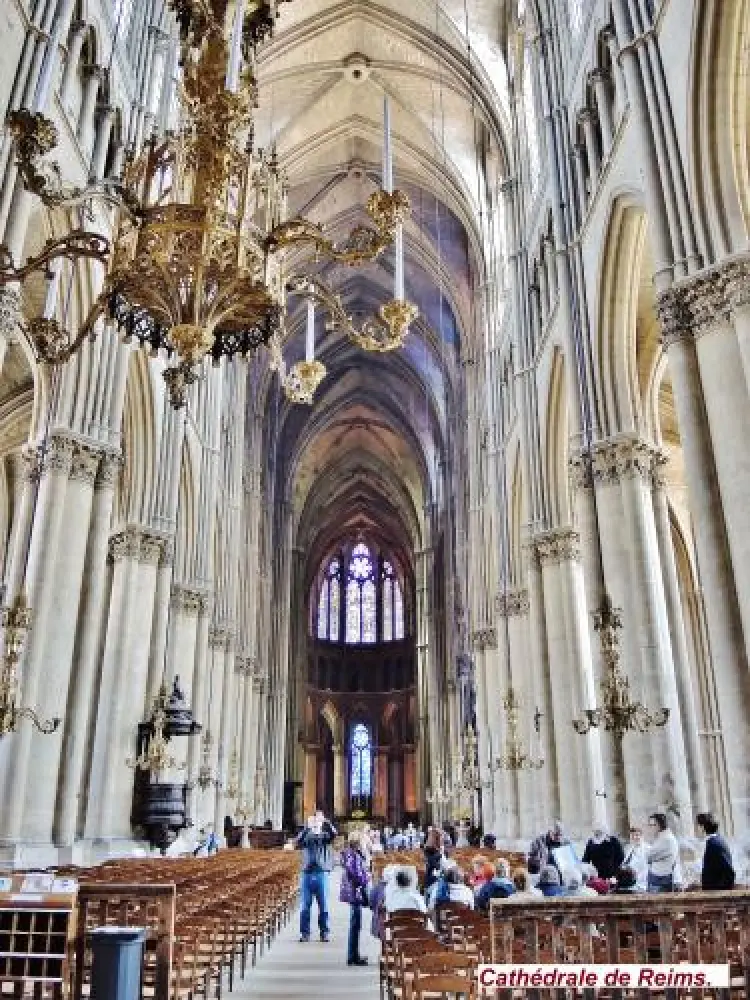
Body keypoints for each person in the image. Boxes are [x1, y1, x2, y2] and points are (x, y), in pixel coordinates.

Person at [295, 810, 337, 942]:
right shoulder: (306, 835)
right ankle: (305, 933)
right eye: (314, 820)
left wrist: (326, 821)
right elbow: (299, 841)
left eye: (318, 821)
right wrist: (308, 827)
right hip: (307, 873)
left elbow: (333, 834)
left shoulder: (325, 836)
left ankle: (324, 932)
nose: (316, 823)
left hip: (321, 873)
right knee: (305, 906)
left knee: (323, 906)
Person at [340, 830, 370, 966]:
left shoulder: (352, 854)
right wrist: (366, 878)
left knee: (356, 925)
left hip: (354, 892)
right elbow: (356, 874)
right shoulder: (353, 856)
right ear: (358, 842)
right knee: (355, 925)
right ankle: (352, 956)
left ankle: (354, 954)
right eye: (363, 840)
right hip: (355, 892)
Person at [696, 812, 735, 890]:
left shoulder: (714, 843)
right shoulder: (715, 841)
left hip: (716, 891)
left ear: (703, 828)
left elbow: (729, 872)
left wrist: (720, 891)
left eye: (699, 826)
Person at [646, 812, 679, 893]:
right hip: (658, 878)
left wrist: (650, 857)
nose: (649, 828)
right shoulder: (661, 837)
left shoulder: (666, 839)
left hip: (660, 879)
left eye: (651, 825)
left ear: (658, 825)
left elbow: (648, 856)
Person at [622, 826, 649, 891]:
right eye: (632, 836)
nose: (634, 837)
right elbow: (625, 863)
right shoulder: (629, 849)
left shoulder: (648, 849)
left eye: (637, 835)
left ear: (642, 836)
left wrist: (637, 877)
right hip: (631, 882)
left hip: (642, 882)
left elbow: (647, 868)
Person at [422, 827, 443, 895]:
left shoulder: (427, 846)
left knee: (429, 871)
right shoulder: (434, 849)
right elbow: (436, 865)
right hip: (433, 876)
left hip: (429, 872)